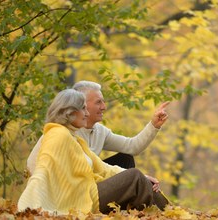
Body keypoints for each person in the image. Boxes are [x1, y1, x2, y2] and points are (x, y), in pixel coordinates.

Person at [18, 89, 169, 214]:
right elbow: (41, 169)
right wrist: (31, 202)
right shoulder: (58, 135)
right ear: (70, 112)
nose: (87, 113)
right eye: (84, 108)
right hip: (80, 198)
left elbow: (106, 166)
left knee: (135, 174)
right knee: (134, 176)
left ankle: (169, 212)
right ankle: (166, 214)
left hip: (88, 188)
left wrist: (144, 176)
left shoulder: (75, 138)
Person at [27, 81, 169, 173]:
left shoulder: (100, 131)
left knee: (126, 159)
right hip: (73, 188)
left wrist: (153, 125)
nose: (104, 107)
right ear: (81, 103)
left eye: (103, 102)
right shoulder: (63, 130)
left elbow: (132, 147)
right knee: (133, 176)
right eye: (98, 102)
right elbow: (34, 166)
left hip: (93, 178)